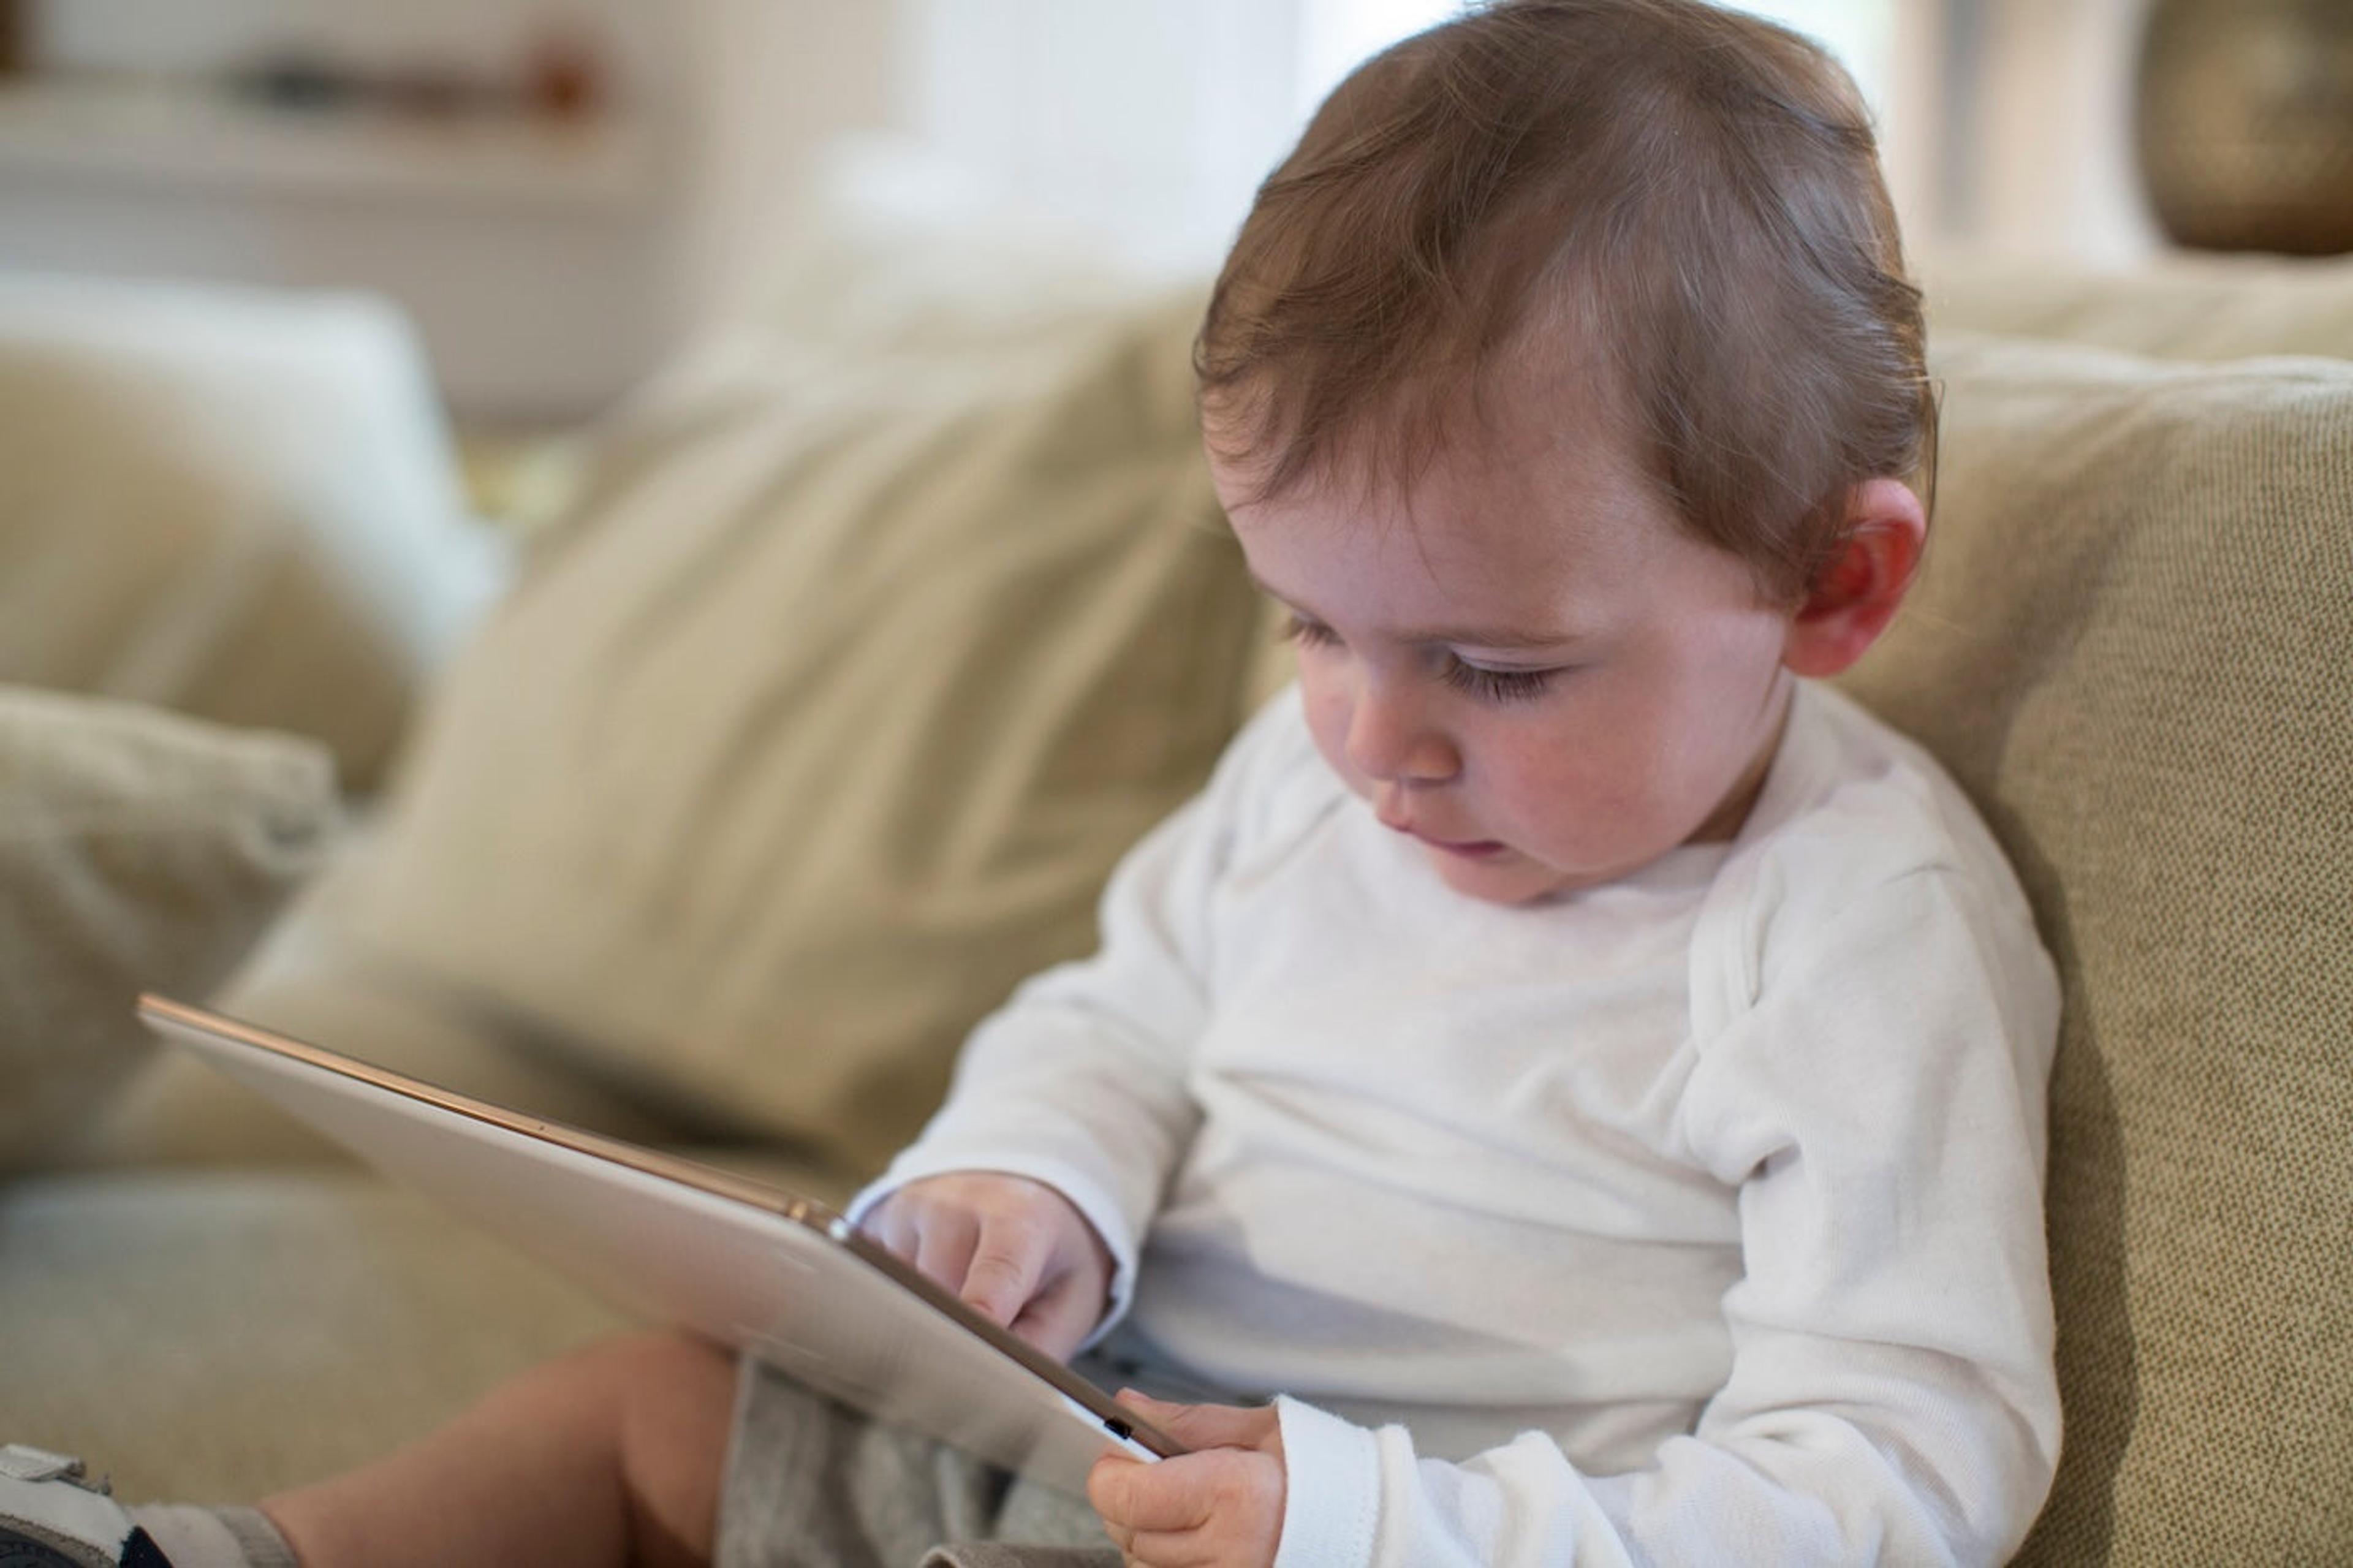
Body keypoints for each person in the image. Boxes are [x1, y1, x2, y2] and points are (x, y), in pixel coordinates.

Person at [0, 1, 2063, 1564]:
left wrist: (1367, 1525)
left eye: (1499, 669)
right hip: (1077, 1445)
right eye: (1312, 627)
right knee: (649, 1408)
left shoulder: (1852, 924)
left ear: (1835, 582)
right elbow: (1120, 1015)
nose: (1377, 740)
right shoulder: (1311, 782)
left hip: (1411, 1535)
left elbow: (1904, 1470)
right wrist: (1026, 1184)